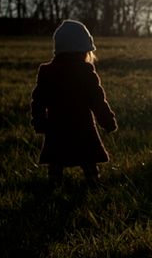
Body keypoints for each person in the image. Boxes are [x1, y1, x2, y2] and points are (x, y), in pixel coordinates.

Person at [31, 19, 118, 187]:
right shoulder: (85, 72)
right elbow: (97, 101)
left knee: (56, 159)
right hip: (82, 126)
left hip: (56, 126)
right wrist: (107, 121)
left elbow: (38, 101)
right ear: (83, 50)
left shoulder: (47, 72)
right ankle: (93, 183)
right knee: (88, 158)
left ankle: (54, 184)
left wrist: (39, 122)